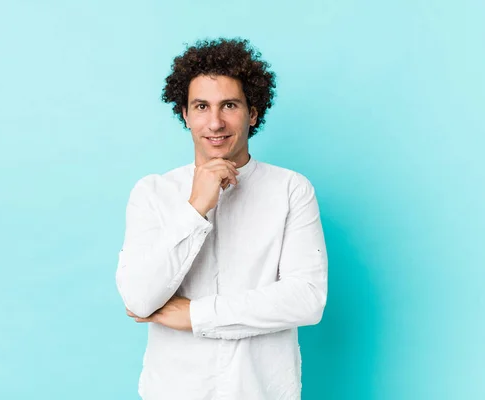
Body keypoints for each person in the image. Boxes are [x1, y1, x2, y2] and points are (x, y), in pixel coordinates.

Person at [115, 37, 328, 400]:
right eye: (201, 106)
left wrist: (197, 315)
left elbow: (306, 298)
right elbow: (138, 298)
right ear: (184, 114)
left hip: (261, 390)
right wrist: (196, 205)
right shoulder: (152, 193)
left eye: (229, 105)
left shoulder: (291, 189)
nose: (215, 122)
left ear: (253, 112)